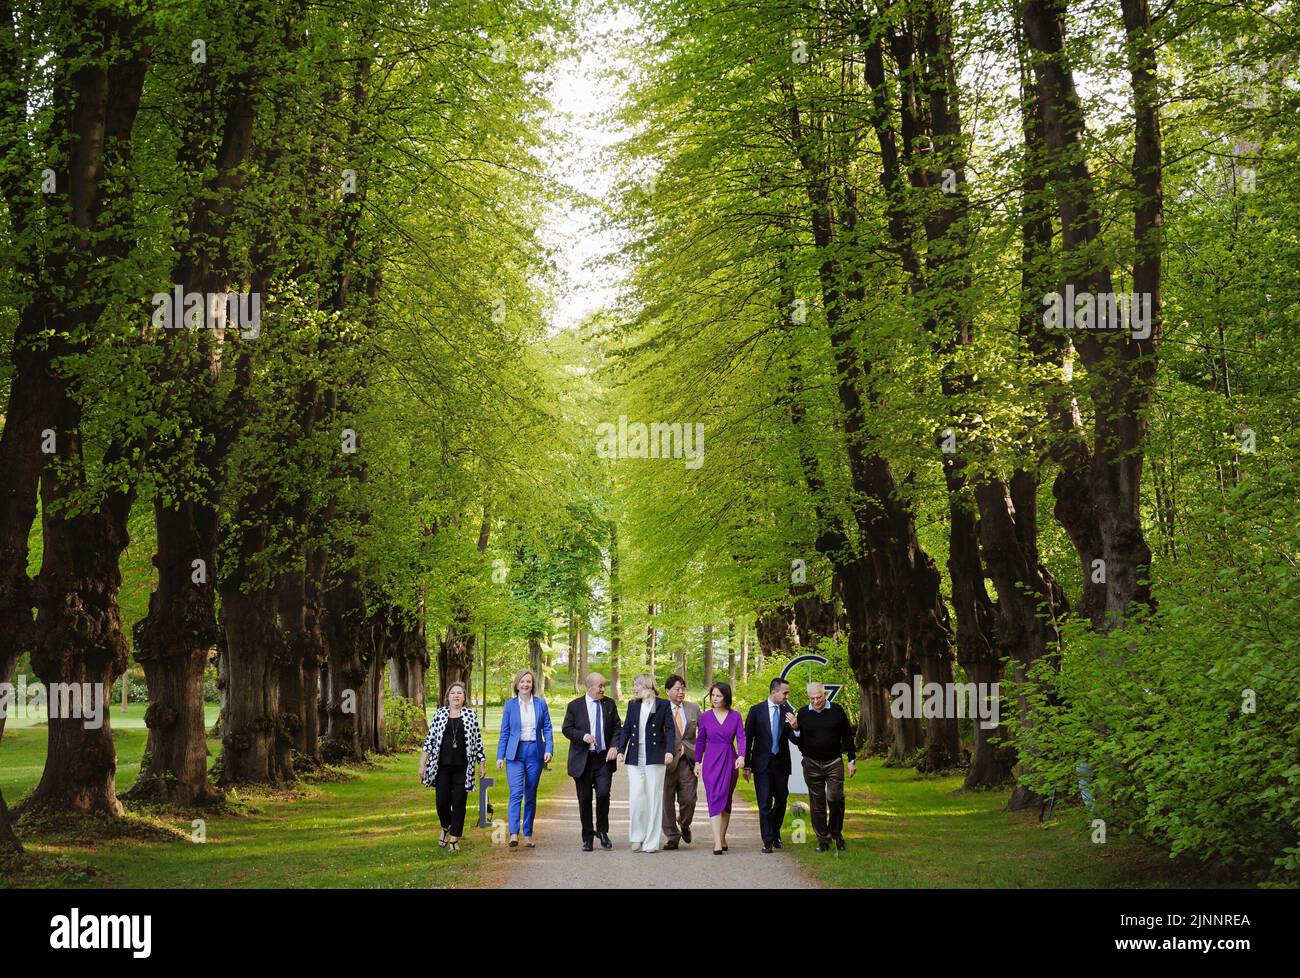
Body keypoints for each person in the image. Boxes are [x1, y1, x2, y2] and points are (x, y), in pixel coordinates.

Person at [419, 681, 487, 852]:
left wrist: (482, 764)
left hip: (463, 767)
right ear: (447, 696)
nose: (456, 696)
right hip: (441, 767)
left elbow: (478, 742)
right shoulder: (440, 714)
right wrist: (422, 764)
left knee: (459, 802)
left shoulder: (470, 715)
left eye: (460, 693)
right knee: (442, 802)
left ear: (464, 698)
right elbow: (429, 741)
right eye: (453, 693)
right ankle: (445, 827)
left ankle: (455, 838)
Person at [792, 681, 856, 852]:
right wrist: (796, 729)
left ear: (825, 694)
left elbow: (848, 736)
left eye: (818, 697)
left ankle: (836, 833)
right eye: (812, 698)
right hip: (811, 763)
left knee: (835, 797)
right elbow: (798, 741)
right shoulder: (803, 714)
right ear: (808, 697)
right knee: (817, 802)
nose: (815, 701)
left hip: (834, 762)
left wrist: (851, 759)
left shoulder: (837, 710)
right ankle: (823, 839)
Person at [561, 672, 621, 851]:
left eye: (604, 685)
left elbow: (618, 727)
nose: (603, 689)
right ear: (589, 688)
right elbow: (567, 729)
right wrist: (583, 736)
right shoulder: (574, 706)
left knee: (603, 795)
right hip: (583, 760)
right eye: (600, 686)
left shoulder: (609, 704)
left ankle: (602, 832)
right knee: (585, 799)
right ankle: (588, 837)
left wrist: (614, 747)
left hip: (603, 759)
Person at [616, 673, 675, 853]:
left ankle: (651, 842)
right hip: (635, 756)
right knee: (636, 797)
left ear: (648, 686)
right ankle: (636, 837)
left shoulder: (662, 704)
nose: (635, 688)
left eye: (637, 685)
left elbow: (670, 729)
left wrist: (669, 751)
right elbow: (626, 728)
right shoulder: (633, 705)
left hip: (655, 756)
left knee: (654, 798)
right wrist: (620, 750)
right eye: (634, 685)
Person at [496, 668, 553, 848]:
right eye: (522, 681)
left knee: (530, 795)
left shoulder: (541, 704)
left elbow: (548, 729)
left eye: (528, 681)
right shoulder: (510, 705)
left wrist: (549, 749)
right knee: (515, 793)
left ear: (533, 685)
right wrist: (500, 756)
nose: (525, 684)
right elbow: (504, 732)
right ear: (517, 684)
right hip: (515, 754)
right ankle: (514, 833)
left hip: (535, 753)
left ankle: (527, 833)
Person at [743, 677, 798, 853]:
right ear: (774, 692)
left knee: (781, 801)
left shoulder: (787, 713)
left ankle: (775, 832)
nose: (787, 696)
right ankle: (767, 840)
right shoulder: (756, 711)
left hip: (781, 764)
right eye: (785, 692)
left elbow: (794, 739)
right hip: (761, 764)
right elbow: (748, 738)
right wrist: (746, 764)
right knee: (764, 802)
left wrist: (796, 727)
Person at [694, 681, 746, 855]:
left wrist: (741, 756)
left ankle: (722, 837)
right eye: (713, 695)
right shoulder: (706, 717)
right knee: (714, 796)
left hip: (729, 759)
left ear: (726, 697)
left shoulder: (736, 716)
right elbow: (700, 740)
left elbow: (741, 737)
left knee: (726, 799)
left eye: (718, 695)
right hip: (710, 760)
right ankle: (717, 841)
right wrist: (697, 762)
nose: (715, 698)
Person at [661, 674, 700, 850]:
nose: (681, 692)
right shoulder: (659, 709)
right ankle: (672, 836)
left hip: (688, 761)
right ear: (667, 691)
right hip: (666, 762)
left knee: (689, 800)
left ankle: (684, 823)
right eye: (677, 689)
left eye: (683, 688)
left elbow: (705, 732)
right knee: (666, 801)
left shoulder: (693, 708)